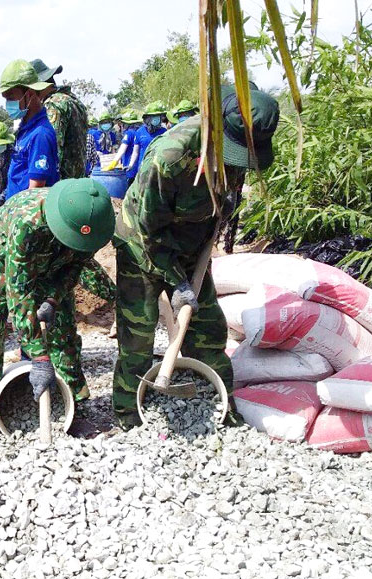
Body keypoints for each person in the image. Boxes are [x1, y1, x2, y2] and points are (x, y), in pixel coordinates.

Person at [112, 86, 280, 430]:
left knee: (208, 329)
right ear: (217, 129)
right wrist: (176, 282)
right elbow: (148, 229)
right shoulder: (170, 157)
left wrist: (225, 210)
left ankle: (221, 404)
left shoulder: (238, 148)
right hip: (142, 245)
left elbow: (223, 194)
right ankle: (129, 418)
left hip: (191, 246)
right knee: (138, 336)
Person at [0, 179, 116, 435]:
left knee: (64, 328)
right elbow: (19, 294)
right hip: (1, 257)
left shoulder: (93, 225)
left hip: (55, 261)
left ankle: (75, 402)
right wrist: (40, 357)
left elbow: (74, 268)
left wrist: (53, 299)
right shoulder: (28, 225)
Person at [0, 59, 59, 201]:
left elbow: (35, 191)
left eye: (10, 98)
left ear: (29, 94)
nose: (7, 104)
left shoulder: (40, 135)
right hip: (15, 208)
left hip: (25, 215)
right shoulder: (25, 130)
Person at [30, 59, 88, 179]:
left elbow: (52, 147)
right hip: (77, 179)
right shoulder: (73, 101)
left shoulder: (53, 105)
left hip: (61, 185)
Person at [125, 100, 168, 184]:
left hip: (159, 169)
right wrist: (131, 165)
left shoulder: (164, 131)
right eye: (153, 116)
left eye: (158, 116)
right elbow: (135, 152)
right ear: (147, 118)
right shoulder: (140, 132)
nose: (156, 119)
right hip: (143, 169)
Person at [107, 110, 143, 187]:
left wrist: (113, 163)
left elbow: (122, 149)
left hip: (130, 167)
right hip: (140, 166)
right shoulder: (141, 131)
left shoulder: (129, 133)